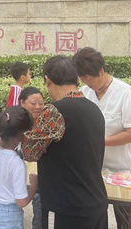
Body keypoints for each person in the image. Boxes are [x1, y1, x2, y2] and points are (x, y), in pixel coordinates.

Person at [22, 56, 108, 229]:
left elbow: (29, 152)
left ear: (48, 80)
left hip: (69, 207)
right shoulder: (94, 109)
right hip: (96, 202)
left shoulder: (54, 112)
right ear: (77, 79)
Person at [73, 47, 131, 229]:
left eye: (88, 77)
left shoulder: (126, 93)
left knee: (125, 218)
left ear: (101, 71)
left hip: (123, 168)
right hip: (94, 168)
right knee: (95, 214)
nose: (86, 82)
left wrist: (99, 142)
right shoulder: (84, 93)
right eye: (82, 78)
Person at [0, 107, 38, 229]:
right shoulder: (17, 163)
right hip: (9, 215)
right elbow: (21, 202)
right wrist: (34, 185)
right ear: (24, 135)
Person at [18, 87, 45, 229]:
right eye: (33, 103)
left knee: (41, 195)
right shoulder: (14, 123)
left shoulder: (46, 124)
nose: (38, 107)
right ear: (22, 103)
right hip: (16, 172)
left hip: (37, 173)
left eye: (41, 103)